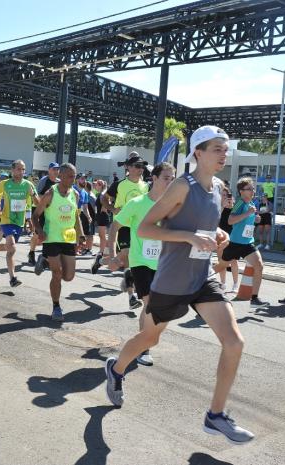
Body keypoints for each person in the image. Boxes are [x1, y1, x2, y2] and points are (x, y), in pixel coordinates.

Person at [104, 125, 254, 445]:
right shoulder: (182, 187)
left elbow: (205, 228)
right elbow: (145, 228)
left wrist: (217, 236)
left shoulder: (218, 187)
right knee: (150, 338)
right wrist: (187, 236)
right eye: (217, 148)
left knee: (234, 342)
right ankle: (116, 369)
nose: (224, 154)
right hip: (172, 279)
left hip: (202, 276)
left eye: (225, 149)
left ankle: (215, 416)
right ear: (198, 152)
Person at [106, 162, 175, 364]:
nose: (170, 183)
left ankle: (142, 343)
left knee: (155, 307)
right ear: (153, 179)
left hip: (162, 263)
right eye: (166, 178)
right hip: (140, 261)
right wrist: (111, 254)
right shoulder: (137, 203)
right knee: (149, 303)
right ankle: (144, 350)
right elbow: (114, 227)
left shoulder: (173, 206)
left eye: (173, 179)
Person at [32, 163, 85, 321]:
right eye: (69, 176)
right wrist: (40, 231)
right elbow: (35, 216)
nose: (72, 179)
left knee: (68, 276)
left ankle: (45, 261)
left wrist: (81, 235)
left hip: (68, 238)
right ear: (60, 176)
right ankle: (56, 306)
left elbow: (75, 216)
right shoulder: (50, 194)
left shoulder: (75, 194)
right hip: (52, 238)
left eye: (74, 176)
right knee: (57, 274)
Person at [97, 153, 150, 309]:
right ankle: (132, 297)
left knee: (125, 262)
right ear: (129, 168)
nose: (141, 169)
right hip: (123, 226)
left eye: (142, 166)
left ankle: (101, 260)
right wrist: (113, 209)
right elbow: (103, 198)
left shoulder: (146, 186)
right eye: (138, 166)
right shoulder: (120, 184)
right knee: (127, 255)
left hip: (140, 228)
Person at [213, 177, 269, 308]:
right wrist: (248, 214)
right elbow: (230, 220)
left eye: (253, 188)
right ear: (241, 191)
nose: (253, 191)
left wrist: (255, 219)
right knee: (221, 267)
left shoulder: (252, 204)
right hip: (235, 243)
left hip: (248, 243)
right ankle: (200, 282)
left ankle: (254, 299)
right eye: (249, 189)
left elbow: (247, 222)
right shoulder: (240, 203)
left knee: (259, 265)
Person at [0, 159, 38, 287]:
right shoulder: (5, 184)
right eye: (18, 169)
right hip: (6, 220)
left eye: (23, 169)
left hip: (19, 222)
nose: (21, 172)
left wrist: (33, 195)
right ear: (12, 170)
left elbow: (38, 203)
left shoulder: (28, 185)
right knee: (12, 247)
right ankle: (13, 278)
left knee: (10, 247)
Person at [28, 162, 59, 266]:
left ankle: (45, 257)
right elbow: (38, 196)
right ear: (49, 170)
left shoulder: (59, 182)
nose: (56, 171)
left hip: (51, 213)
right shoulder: (44, 181)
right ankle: (31, 252)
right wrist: (48, 201)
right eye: (54, 169)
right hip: (40, 210)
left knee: (50, 234)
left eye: (57, 169)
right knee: (38, 235)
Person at [217, 186, 239, 291]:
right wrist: (222, 206)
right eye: (223, 195)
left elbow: (235, 217)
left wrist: (231, 205)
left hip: (232, 235)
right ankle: (223, 283)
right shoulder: (217, 205)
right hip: (221, 235)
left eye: (226, 195)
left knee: (233, 260)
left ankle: (235, 284)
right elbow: (215, 218)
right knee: (221, 260)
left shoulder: (233, 206)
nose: (225, 197)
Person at [92, 179, 111, 272]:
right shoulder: (101, 193)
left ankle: (103, 252)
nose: (95, 186)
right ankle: (104, 251)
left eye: (97, 185)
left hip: (103, 216)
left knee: (103, 236)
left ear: (101, 185)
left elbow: (105, 206)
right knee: (102, 236)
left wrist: (101, 212)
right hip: (101, 216)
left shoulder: (103, 193)